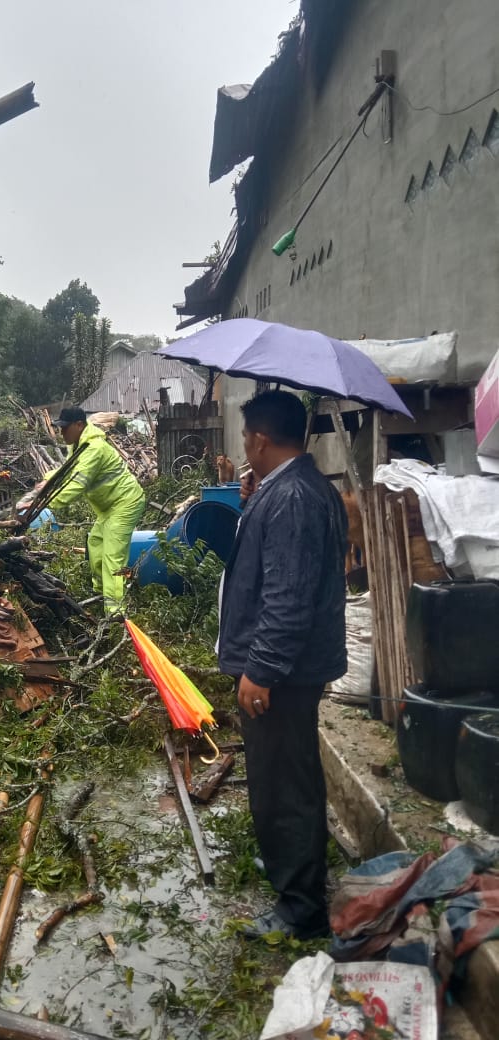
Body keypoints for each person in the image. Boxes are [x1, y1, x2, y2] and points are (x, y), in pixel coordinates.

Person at [218, 390, 347, 939]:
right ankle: (293, 870)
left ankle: (301, 909)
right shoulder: (292, 490)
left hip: (285, 671)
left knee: (283, 784)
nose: (244, 445)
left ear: (260, 439)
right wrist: (253, 503)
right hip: (293, 665)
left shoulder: (292, 497)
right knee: (289, 774)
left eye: (247, 437)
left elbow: (287, 596)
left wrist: (261, 669)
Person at [44, 407, 145, 614]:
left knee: (112, 557)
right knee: (95, 545)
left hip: (126, 503)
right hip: (108, 508)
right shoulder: (78, 445)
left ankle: (116, 614)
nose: (62, 433)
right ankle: (102, 594)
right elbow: (67, 472)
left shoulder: (95, 448)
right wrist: (45, 482)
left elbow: (77, 484)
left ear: (79, 425)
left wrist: (48, 502)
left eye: (65, 428)